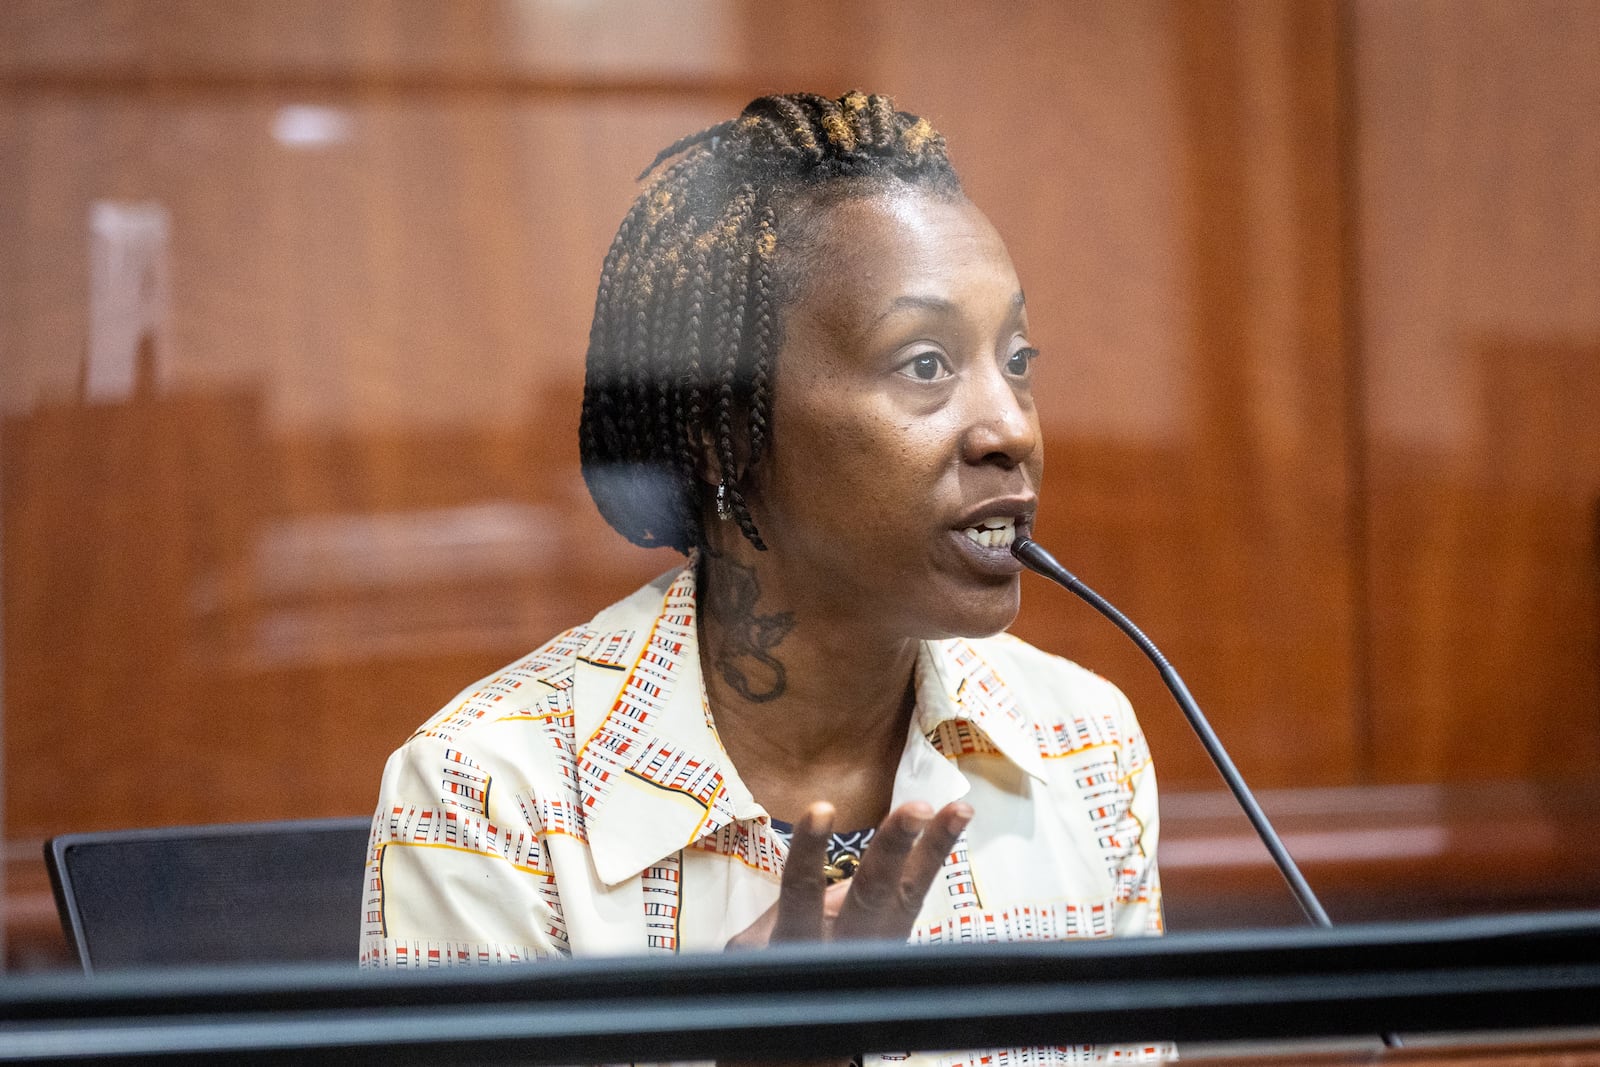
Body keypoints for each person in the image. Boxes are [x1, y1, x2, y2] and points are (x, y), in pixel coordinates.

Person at [361, 90, 1167, 1063]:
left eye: (1018, 357)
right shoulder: (493, 796)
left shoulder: (1082, 744)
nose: (1012, 429)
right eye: (923, 362)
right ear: (721, 433)